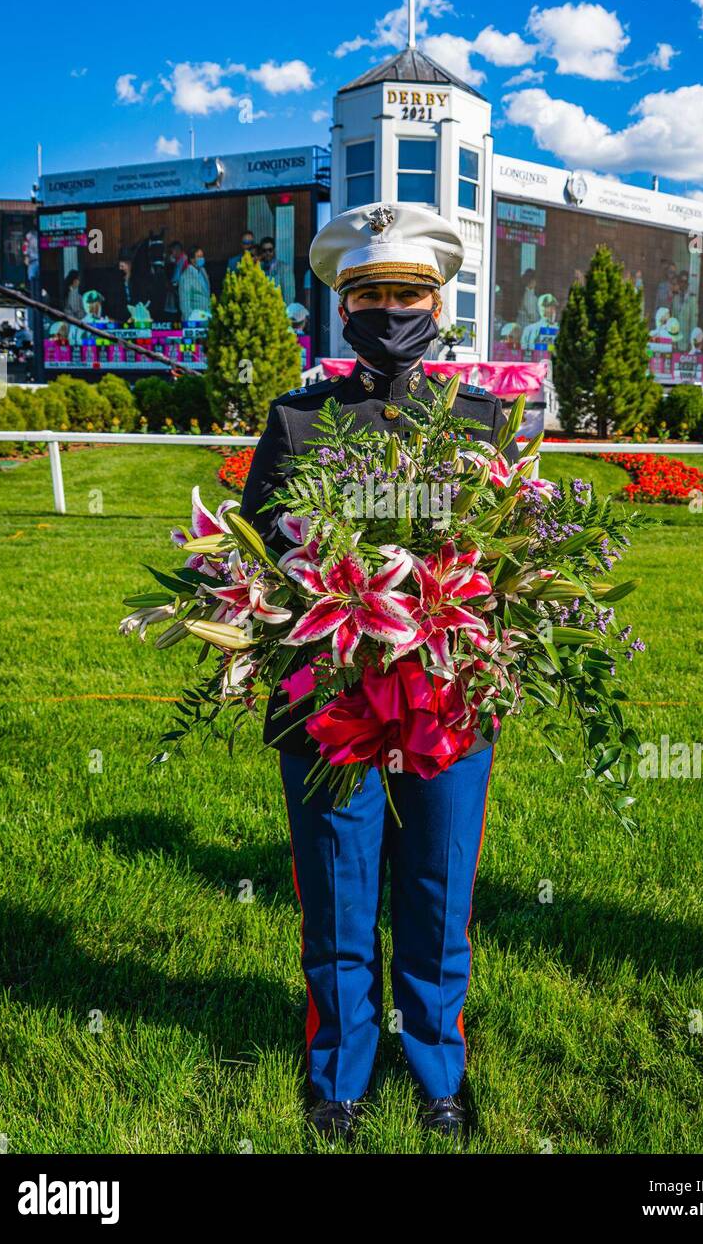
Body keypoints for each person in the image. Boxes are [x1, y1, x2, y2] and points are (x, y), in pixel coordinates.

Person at [240, 202, 518, 1144]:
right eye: (369, 293)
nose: (389, 308)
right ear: (342, 306)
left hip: (446, 705)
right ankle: (339, 1075)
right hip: (328, 710)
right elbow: (253, 563)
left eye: (408, 293)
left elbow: (509, 567)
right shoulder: (295, 419)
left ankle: (439, 1069)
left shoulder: (485, 422)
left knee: (438, 895)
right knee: (338, 892)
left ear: (441, 304)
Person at [178, 244, 210, 320]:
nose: (202, 259)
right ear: (192, 259)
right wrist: (190, 322)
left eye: (202, 256)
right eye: (199, 257)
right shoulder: (186, 277)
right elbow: (184, 302)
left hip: (207, 316)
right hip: (195, 319)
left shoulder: (203, 271)